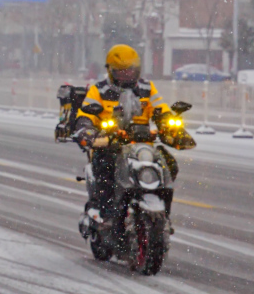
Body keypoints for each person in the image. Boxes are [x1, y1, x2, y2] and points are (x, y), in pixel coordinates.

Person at [73, 44, 179, 228]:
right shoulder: (98, 90)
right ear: (111, 71)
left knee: (168, 165)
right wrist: (87, 130)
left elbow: (161, 109)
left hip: (141, 146)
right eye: (121, 72)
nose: (127, 75)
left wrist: (170, 125)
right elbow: (85, 115)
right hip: (110, 145)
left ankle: (163, 217)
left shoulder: (147, 88)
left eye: (130, 71)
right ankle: (106, 216)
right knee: (106, 168)